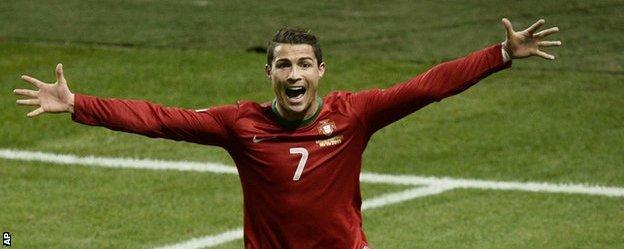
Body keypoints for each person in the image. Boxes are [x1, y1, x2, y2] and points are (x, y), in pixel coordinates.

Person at [13, 18, 560, 249]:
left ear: (321, 71)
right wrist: (79, 103)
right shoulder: (239, 124)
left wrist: (501, 55)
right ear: (269, 73)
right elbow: (159, 118)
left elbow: (427, 87)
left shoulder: (354, 115)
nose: (293, 74)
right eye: (283, 65)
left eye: (303, 64)